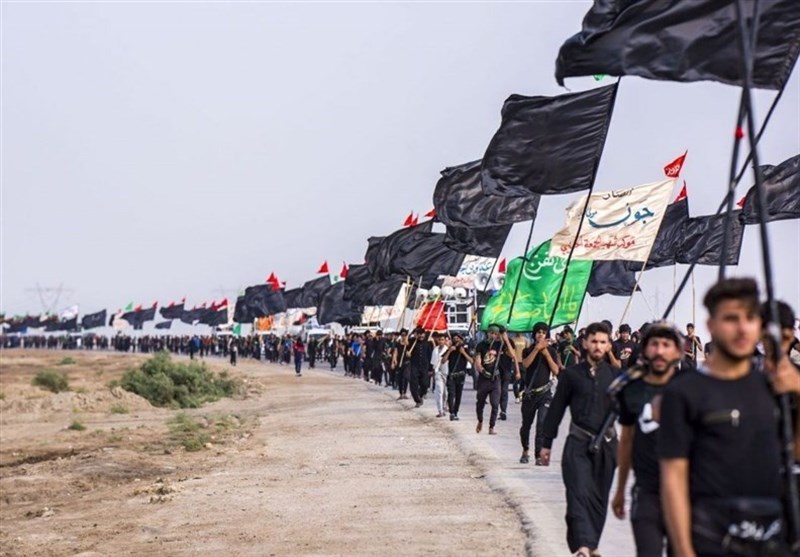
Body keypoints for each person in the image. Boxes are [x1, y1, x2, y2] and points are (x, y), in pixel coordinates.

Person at [660, 279, 800, 557]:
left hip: (770, 534)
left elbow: (794, 454)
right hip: (709, 534)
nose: (742, 328)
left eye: (750, 318)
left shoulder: (775, 386)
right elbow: (673, 478)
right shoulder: (684, 391)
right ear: (711, 325)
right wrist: (684, 550)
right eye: (731, 319)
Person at [541, 322, 618, 557]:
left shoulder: (617, 377)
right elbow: (556, 409)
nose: (598, 346)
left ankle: (592, 545)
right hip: (578, 444)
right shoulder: (571, 375)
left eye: (603, 342)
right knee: (577, 494)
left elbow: (631, 411)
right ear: (585, 343)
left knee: (598, 499)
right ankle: (583, 547)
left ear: (609, 345)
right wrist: (546, 443)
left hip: (607, 446)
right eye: (594, 341)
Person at [611, 321, 686, 556]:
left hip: (686, 492)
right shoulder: (632, 389)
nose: (660, 351)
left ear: (678, 351)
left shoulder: (692, 387)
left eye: (666, 344)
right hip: (647, 491)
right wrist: (620, 489)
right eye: (654, 344)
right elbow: (626, 440)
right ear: (644, 350)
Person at [519, 322, 559, 465]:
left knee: (542, 423)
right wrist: (536, 349)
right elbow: (525, 364)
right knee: (526, 425)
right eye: (538, 332)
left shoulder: (552, 351)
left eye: (543, 332)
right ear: (534, 334)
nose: (541, 334)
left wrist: (546, 353)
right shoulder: (528, 350)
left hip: (545, 393)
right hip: (530, 394)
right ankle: (525, 450)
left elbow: (556, 371)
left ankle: (538, 455)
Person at [474, 325, 514, 434]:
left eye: (496, 334)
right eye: (491, 333)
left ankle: (491, 427)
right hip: (484, 379)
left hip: (495, 379)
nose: (493, 335)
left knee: (495, 404)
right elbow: (478, 362)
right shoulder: (481, 345)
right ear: (488, 333)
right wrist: (482, 371)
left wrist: (506, 340)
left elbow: (512, 355)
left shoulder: (500, 345)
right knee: (480, 403)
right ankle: (480, 420)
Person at [445, 332, 472, 421]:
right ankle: (451, 412)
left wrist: (463, 353)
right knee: (451, 393)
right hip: (452, 375)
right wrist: (449, 351)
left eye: (458, 339)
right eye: (454, 339)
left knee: (458, 395)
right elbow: (443, 360)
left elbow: (472, 361)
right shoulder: (451, 348)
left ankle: (456, 412)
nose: (456, 340)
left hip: (461, 375)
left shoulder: (464, 349)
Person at [430, 333, 450, 418]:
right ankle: (440, 410)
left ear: (445, 341)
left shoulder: (448, 350)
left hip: (446, 372)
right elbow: (433, 363)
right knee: (439, 391)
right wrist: (433, 374)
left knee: (446, 393)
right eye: (439, 340)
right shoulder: (435, 350)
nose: (441, 341)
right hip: (438, 372)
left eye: (442, 340)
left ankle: (445, 406)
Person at [392, 329, 411, 400]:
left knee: (405, 377)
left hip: (407, 363)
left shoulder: (408, 344)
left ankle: (405, 392)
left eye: (405, 335)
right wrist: (394, 360)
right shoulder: (398, 343)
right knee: (400, 378)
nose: (404, 336)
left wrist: (407, 345)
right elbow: (395, 352)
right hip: (399, 363)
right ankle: (401, 393)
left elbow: (411, 352)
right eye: (402, 335)